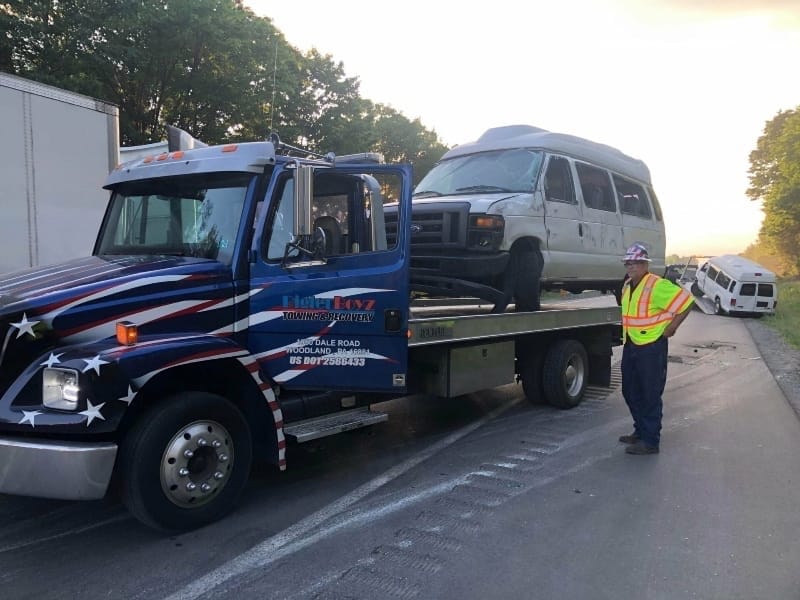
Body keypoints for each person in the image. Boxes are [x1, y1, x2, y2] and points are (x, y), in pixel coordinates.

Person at [619, 242, 694, 455]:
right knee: (630, 390)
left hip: (652, 346)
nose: (630, 266)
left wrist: (672, 327)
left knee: (650, 392)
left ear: (644, 264)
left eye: (635, 262)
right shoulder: (627, 285)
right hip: (632, 343)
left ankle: (650, 441)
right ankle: (641, 430)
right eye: (628, 263)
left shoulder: (656, 284)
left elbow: (686, 301)